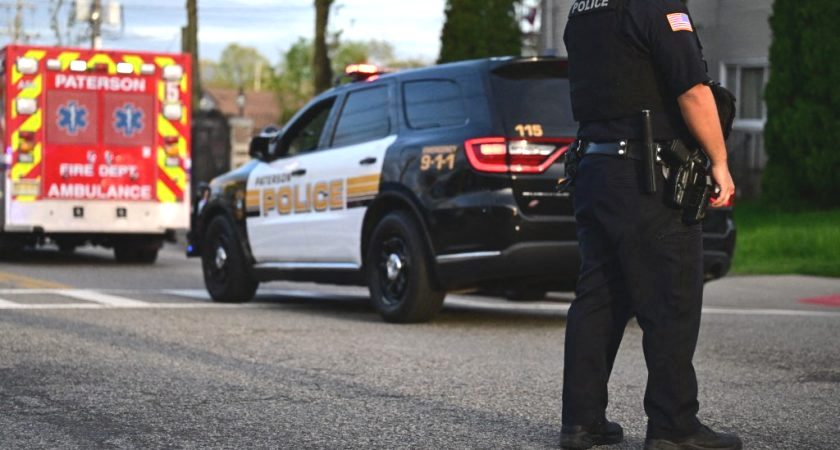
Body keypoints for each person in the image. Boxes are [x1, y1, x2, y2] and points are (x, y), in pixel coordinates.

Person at [559, 0, 740, 449]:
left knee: (599, 296)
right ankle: (674, 426)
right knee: (672, 299)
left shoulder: (582, 10)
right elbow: (692, 91)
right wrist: (719, 162)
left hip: (594, 167)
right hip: (647, 175)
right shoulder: (657, 6)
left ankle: (582, 422)